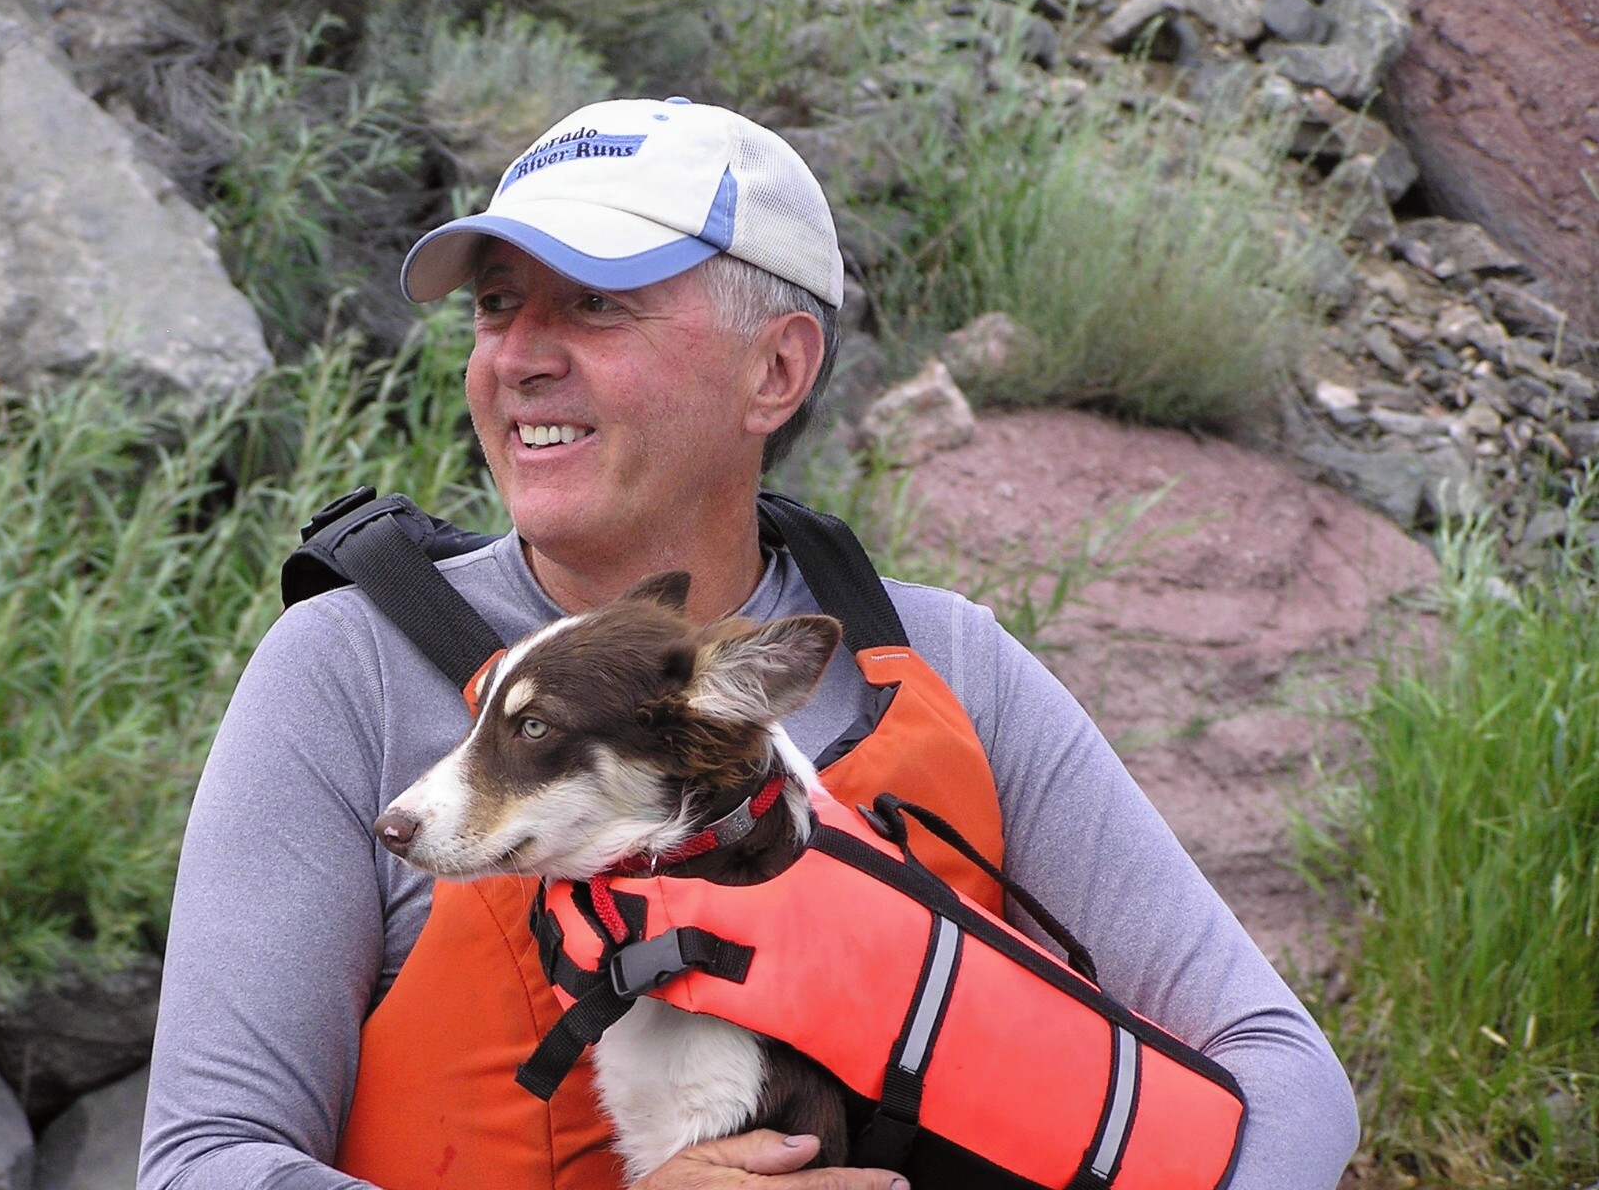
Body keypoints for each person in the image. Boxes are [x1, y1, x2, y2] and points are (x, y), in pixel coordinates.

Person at [139, 97, 1359, 1190]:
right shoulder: (343, 672)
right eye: (498, 307)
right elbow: (203, 1161)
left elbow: (1289, 1080)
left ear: (775, 370)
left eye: (596, 304)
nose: (519, 357)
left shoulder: (946, 664)